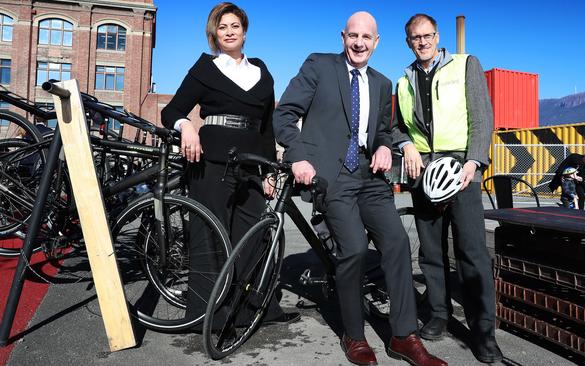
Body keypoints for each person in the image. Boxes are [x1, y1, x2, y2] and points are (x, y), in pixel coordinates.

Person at [273, 11, 446, 366]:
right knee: (352, 249)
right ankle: (354, 335)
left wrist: (385, 146)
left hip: (370, 177)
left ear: (376, 42)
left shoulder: (383, 84)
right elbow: (285, 114)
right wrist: (299, 158)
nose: (359, 43)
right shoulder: (319, 66)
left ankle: (403, 336)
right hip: (332, 177)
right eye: (353, 35)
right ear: (343, 36)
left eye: (367, 37)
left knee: (397, 244)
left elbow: (384, 130)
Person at [161, 2, 298, 331]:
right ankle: (206, 317)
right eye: (222, 27)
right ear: (214, 34)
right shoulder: (205, 68)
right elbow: (172, 110)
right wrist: (187, 127)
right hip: (210, 162)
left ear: (244, 31)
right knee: (209, 237)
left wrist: (268, 171)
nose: (229, 32)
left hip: (251, 164)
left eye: (235, 26)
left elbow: (266, 128)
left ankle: (253, 310)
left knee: (253, 237)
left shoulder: (262, 71)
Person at [392, 14, 502, 364]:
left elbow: (481, 117)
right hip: (424, 172)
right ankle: (439, 314)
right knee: (430, 250)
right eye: (415, 38)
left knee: (471, 251)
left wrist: (474, 163)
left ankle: (483, 332)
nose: (422, 42)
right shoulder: (403, 80)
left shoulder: (465, 65)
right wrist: (406, 145)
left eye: (427, 36)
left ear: (437, 36)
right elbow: (396, 128)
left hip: (461, 169)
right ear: (408, 41)